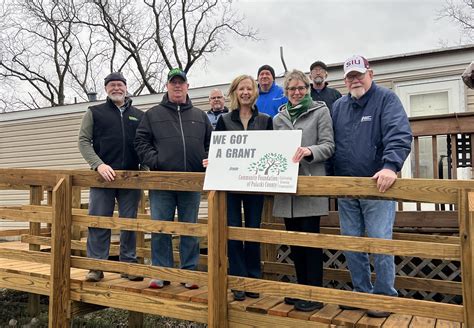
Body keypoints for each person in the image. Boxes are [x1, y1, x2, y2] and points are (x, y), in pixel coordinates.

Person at [330, 55, 412, 318]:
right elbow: (331, 144)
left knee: (379, 242)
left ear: (371, 74)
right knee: (352, 244)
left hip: (379, 188)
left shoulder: (386, 99)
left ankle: (385, 296)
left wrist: (391, 166)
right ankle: (361, 292)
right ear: (344, 81)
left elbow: (399, 134)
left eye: (358, 74)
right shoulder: (339, 106)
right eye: (349, 77)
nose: (355, 80)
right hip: (346, 187)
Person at [134, 68, 212, 290]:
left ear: (188, 86)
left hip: (191, 182)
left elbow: (210, 144)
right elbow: (141, 142)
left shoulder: (200, 116)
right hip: (162, 182)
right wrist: (156, 162)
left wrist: (206, 160)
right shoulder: (153, 114)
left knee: (190, 228)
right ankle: (161, 272)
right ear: (167, 86)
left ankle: (189, 272)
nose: (177, 86)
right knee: (160, 228)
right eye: (173, 83)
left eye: (181, 82)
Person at [273, 69, 334, 312]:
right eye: (292, 89)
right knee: (294, 243)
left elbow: (329, 146)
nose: (297, 93)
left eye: (301, 88)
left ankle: (314, 293)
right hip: (286, 191)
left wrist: (309, 151)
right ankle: (301, 290)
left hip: (309, 187)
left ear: (307, 89)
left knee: (310, 244)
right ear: (286, 92)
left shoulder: (320, 112)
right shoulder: (278, 119)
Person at [78, 72, 144, 282]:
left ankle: (129, 265)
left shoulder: (139, 115)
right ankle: (96, 266)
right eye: (112, 85)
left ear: (126, 88)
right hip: (101, 178)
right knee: (99, 222)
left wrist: (146, 169)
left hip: (130, 178)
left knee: (129, 223)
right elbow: (83, 141)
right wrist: (98, 165)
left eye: (120, 85)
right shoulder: (94, 112)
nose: (116, 88)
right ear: (106, 89)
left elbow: (144, 145)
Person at [215, 75, 273, 301]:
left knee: (252, 231)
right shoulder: (224, 120)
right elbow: (217, 149)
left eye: (249, 88)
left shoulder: (266, 120)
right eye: (241, 89)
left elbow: (271, 151)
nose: (245, 92)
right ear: (235, 93)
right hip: (230, 185)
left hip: (255, 184)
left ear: (255, 92)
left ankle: (252, 280)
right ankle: (238, 280)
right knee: (232, 231)